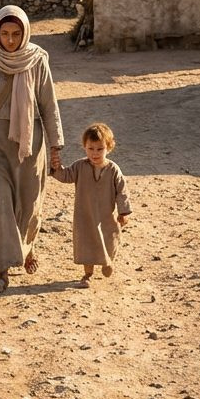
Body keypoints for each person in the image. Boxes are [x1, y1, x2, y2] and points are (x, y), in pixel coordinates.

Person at [0, 5, 64, 294]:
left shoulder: (38, 60)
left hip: (30, 141)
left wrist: (56, 147)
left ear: (25, 33)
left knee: (29, 205)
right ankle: (3, 270)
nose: (10, 40)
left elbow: (48, 105)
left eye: (16, 34)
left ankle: (26, 247)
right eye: (4, 34)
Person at [50, 122, 132, 288]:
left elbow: (122, 191)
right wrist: (57, 168)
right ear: (84, 147)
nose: (95, 153)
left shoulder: (113, 170)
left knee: (109, 240)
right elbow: (66, 176)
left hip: (106, 216)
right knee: (86, 244)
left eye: (100, 149)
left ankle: (108, 261)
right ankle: (87, 274)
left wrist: (123, 212)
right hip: (85, 216)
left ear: (109, 147)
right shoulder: (80, 166)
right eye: (91, 149)